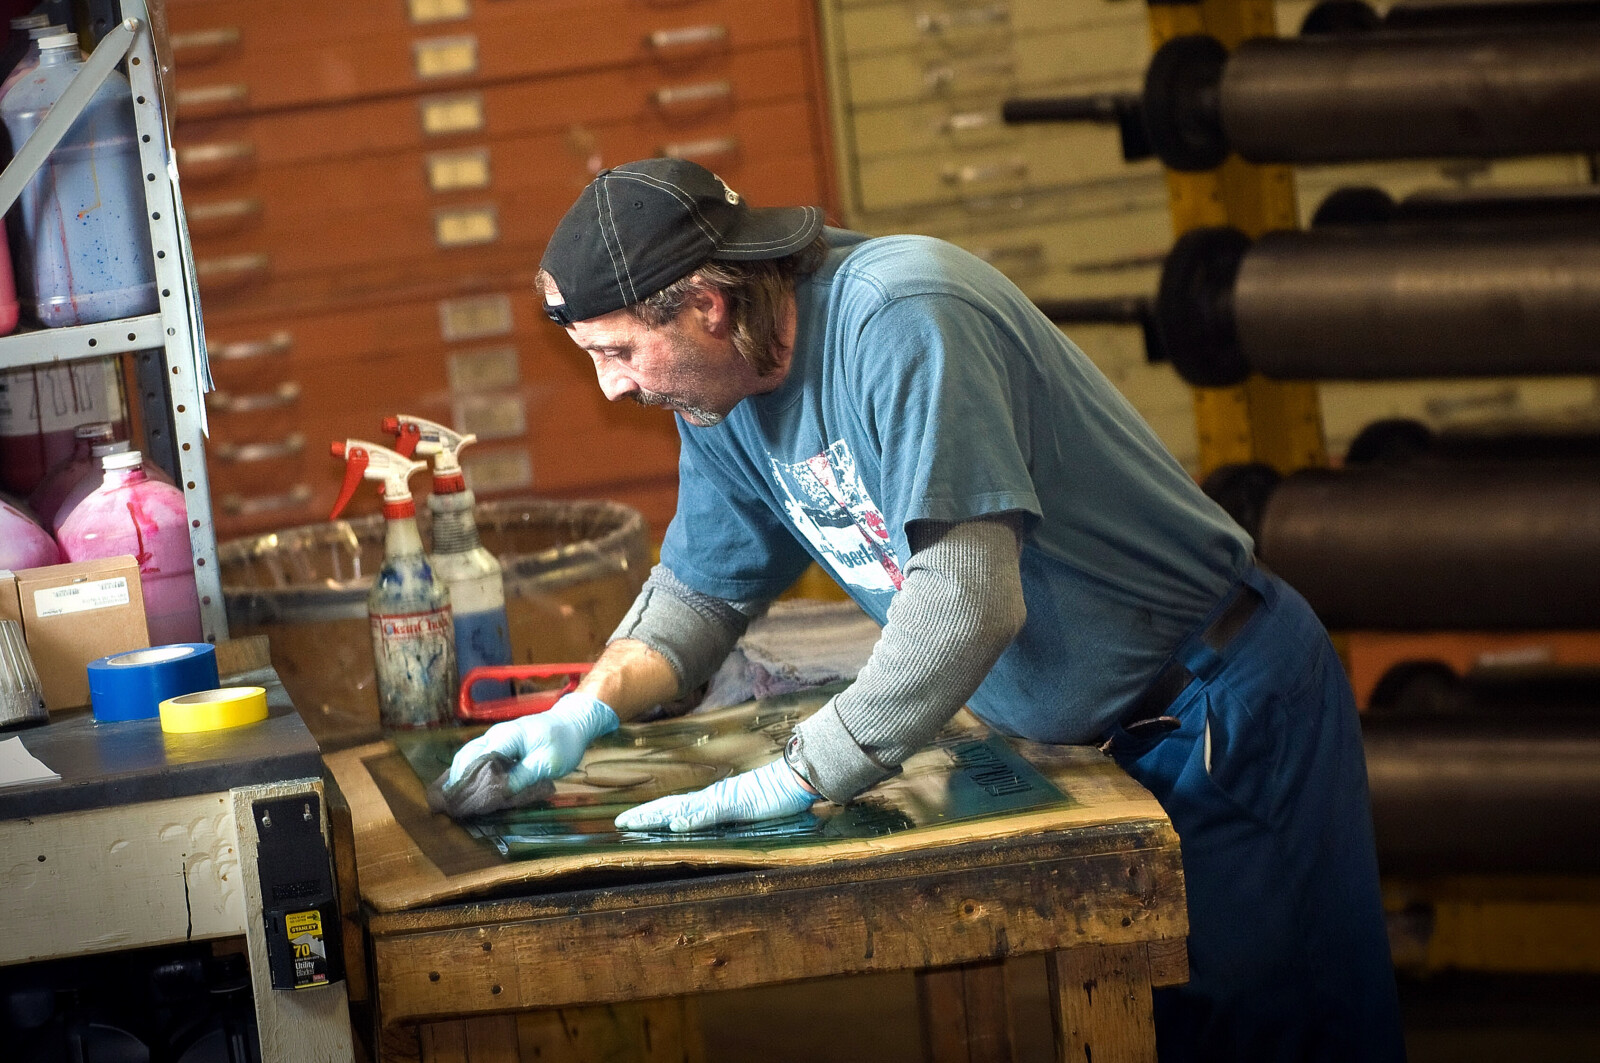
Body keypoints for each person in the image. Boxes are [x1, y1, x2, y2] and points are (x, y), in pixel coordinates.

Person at [447, 158, 1406, 1061]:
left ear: (706, 302)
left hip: (1219, 709)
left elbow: (967, 601)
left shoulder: (900, 319)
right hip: (1105, 748)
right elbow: (700, 591)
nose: (613, 385)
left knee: (1287, 1034)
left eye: (618, 351)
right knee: (1184, 1031)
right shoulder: (720, 391)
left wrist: (797, 774)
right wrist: (584, 709)